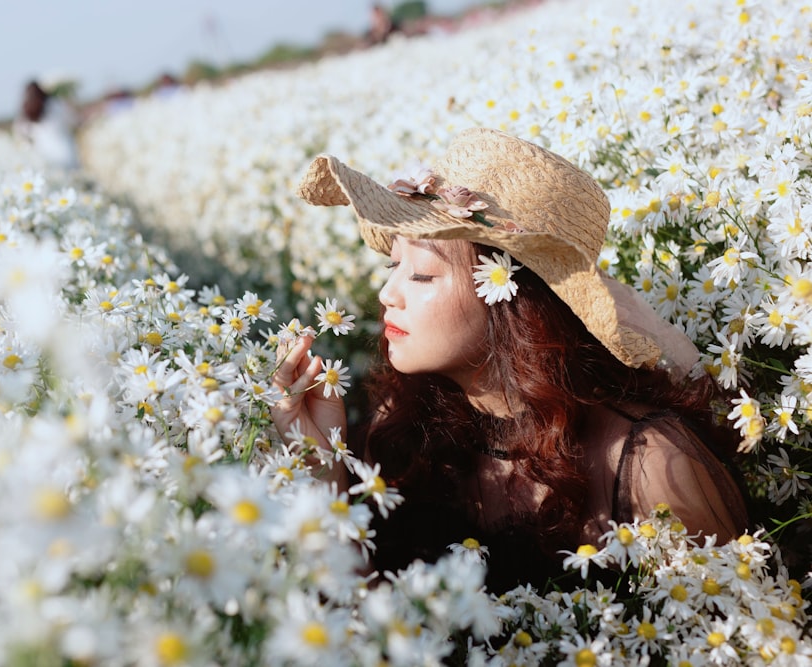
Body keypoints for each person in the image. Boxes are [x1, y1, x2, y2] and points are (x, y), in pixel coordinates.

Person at [271, 128, 750, 592]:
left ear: (508, 295)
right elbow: (359, 630)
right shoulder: (401, 429)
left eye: (421, 275)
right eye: (392, 265)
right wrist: (322, 469)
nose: (386, 293)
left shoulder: (648, 468)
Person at [13, 79, 80, 171]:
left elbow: (20, 133)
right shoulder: (57, 104)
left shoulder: (25, 112)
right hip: (65, 151)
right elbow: (74, 121)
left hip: (44, 154)